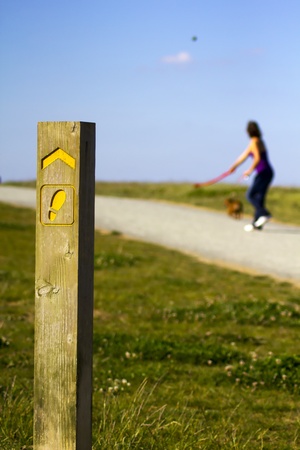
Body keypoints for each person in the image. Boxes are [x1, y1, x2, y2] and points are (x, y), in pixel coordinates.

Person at [229, 121, 274, 231]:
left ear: (248, 132)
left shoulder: (254, 142)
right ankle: (257, 224)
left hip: (263, 172)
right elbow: (243, 156)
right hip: (266, 172)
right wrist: (234, 166)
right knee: (259, 198)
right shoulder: (257, 141)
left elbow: (257, 158)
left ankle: (264, 214)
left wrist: (249, 170)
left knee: (250, 195)